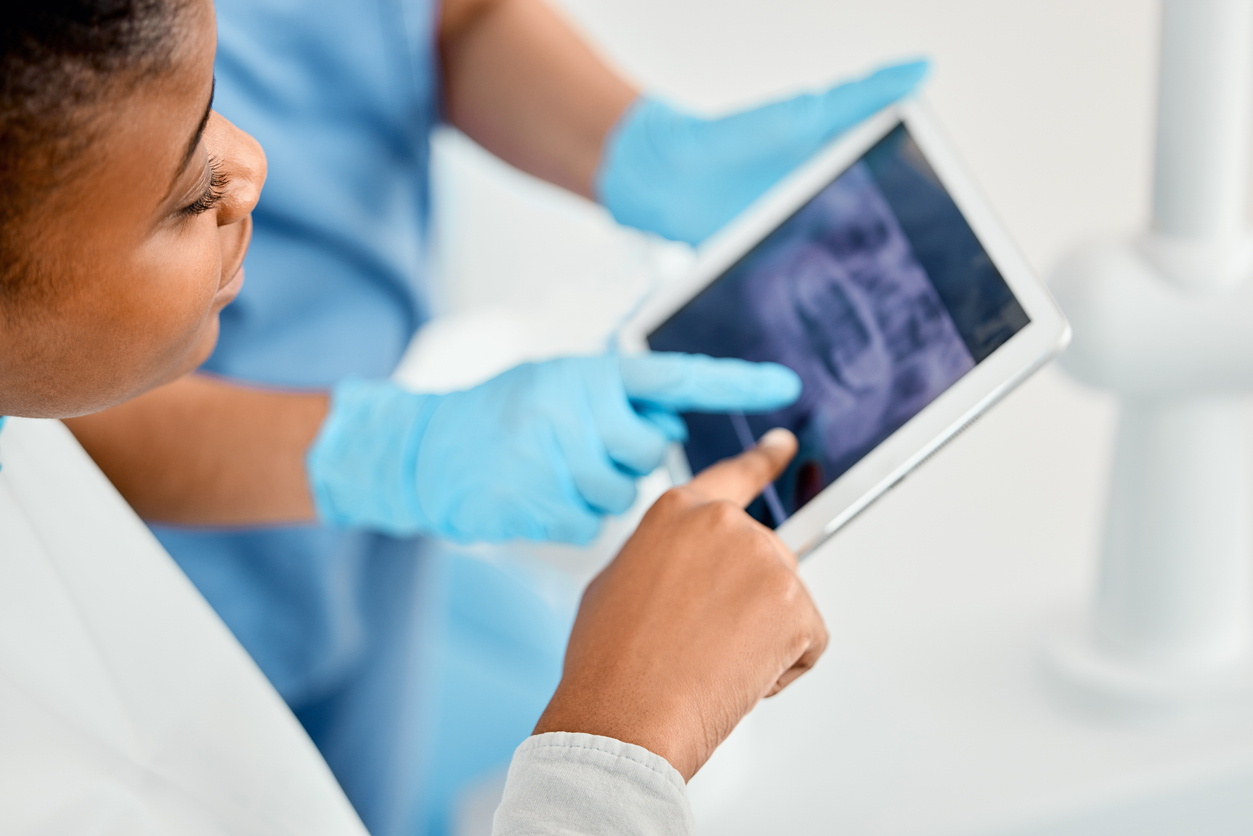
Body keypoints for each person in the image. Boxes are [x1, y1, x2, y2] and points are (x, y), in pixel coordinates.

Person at [60, 0, 926, 830]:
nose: (254, 166)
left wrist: (643, 151)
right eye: (185, 186)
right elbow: (44, 383)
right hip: (161, 572)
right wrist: (619, 753)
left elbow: (430, 14)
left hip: (375, 545)